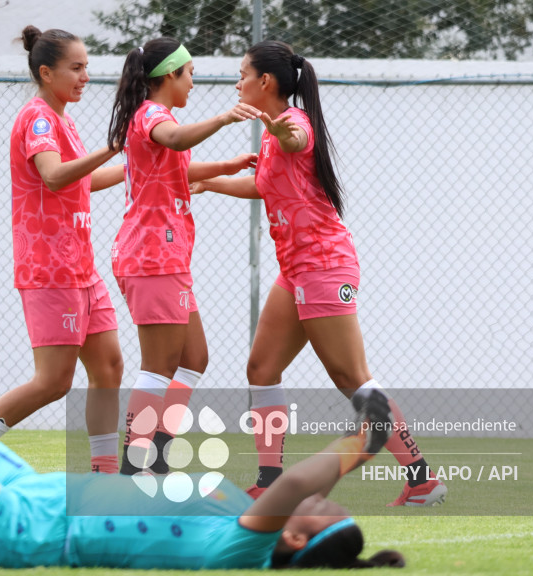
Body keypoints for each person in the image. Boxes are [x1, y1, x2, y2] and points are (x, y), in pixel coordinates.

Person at [191, 40, 447, 507]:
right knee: (261, 367)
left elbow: (297, 139)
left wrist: (278, 128)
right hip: (297, 271)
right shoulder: (271, 135)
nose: (237, 82)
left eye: (241, 74)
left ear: (264, 82)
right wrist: (210, 182)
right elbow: (265, 185)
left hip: (324, 267)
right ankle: (269, 482)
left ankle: (422, 478)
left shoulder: (291, 123)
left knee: (352, 377)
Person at [0, 390, 405, 569]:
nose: (320, 495)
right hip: (30, 489)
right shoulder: (246, 515)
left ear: (292, 537)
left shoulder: (242, 547)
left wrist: (365, 442)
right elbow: (306, 496)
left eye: (325, 507)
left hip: (14, 525)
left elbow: (293, 486)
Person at [0, 26, 125, 475]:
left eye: (87, 68)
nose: (85, 77)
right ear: (46, 72)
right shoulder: (37, 119)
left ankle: (104, 475)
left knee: (109, 368)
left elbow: (82, 180)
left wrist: (131, 165)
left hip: (82, 270)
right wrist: (112, 148)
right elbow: (55, 176)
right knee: (54, 382)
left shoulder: (64, 120)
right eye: (75, 68)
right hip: (50, 270)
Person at [106, 37, 261, 475]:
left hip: (166, 258)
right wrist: (223, 118)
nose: (194, 81)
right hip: (151, 257)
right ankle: (134, 466)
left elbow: (175, 164)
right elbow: (173, 140)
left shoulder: (158, 118)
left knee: (194, 360)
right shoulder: (154, 116)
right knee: (157, 368)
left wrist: (225, 166)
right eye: (189, 72)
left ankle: (153, 453)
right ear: (169, 75)